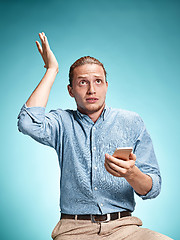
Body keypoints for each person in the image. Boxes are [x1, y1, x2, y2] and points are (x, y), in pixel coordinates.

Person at [17, 32, 172, 240]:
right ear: (71, 90)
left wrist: (131, 174)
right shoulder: (62, 122)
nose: (92, 89)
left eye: (98, 81)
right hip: (74, 230)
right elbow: (28, 122)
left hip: (124, 228)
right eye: (82, 82)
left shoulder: (132, 121)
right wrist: (51, 70)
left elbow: (153, 188)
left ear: (107, 86)